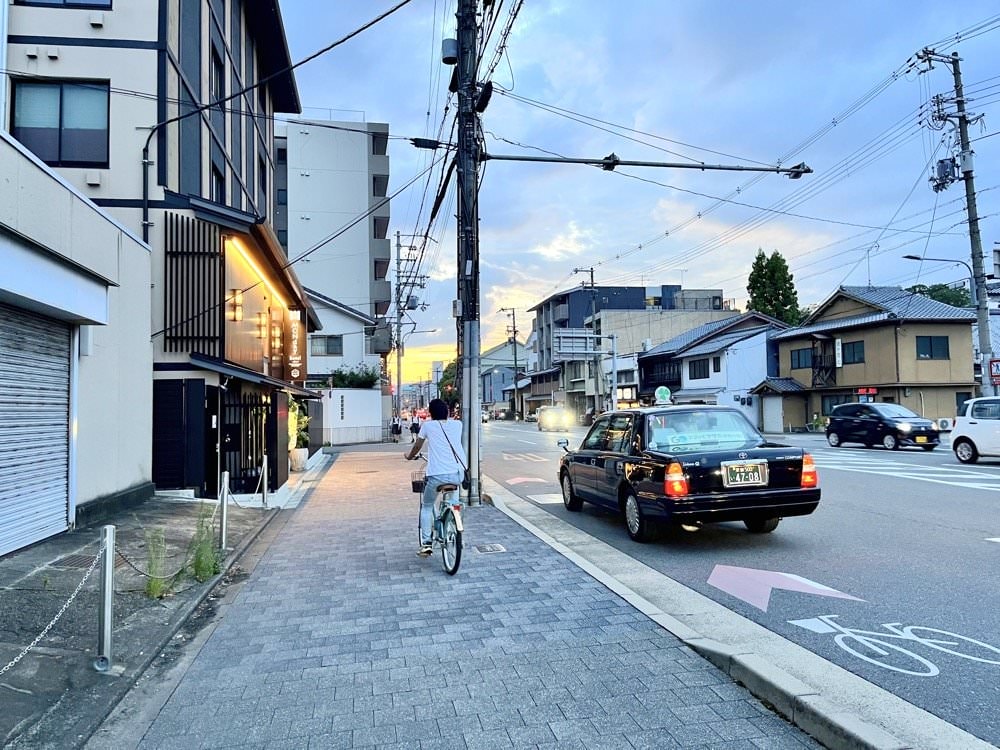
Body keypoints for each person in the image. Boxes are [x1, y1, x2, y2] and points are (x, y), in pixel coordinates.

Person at [404, 398, 467, 557]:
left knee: (427, 506)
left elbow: (417, 446)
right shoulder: (457, 424)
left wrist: (409, 456)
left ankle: (426, 543)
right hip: (457, 473)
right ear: (447, 412)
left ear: (431, 413)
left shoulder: (428, 426)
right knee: (454, 502)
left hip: (436, 475)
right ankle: (454, 527)